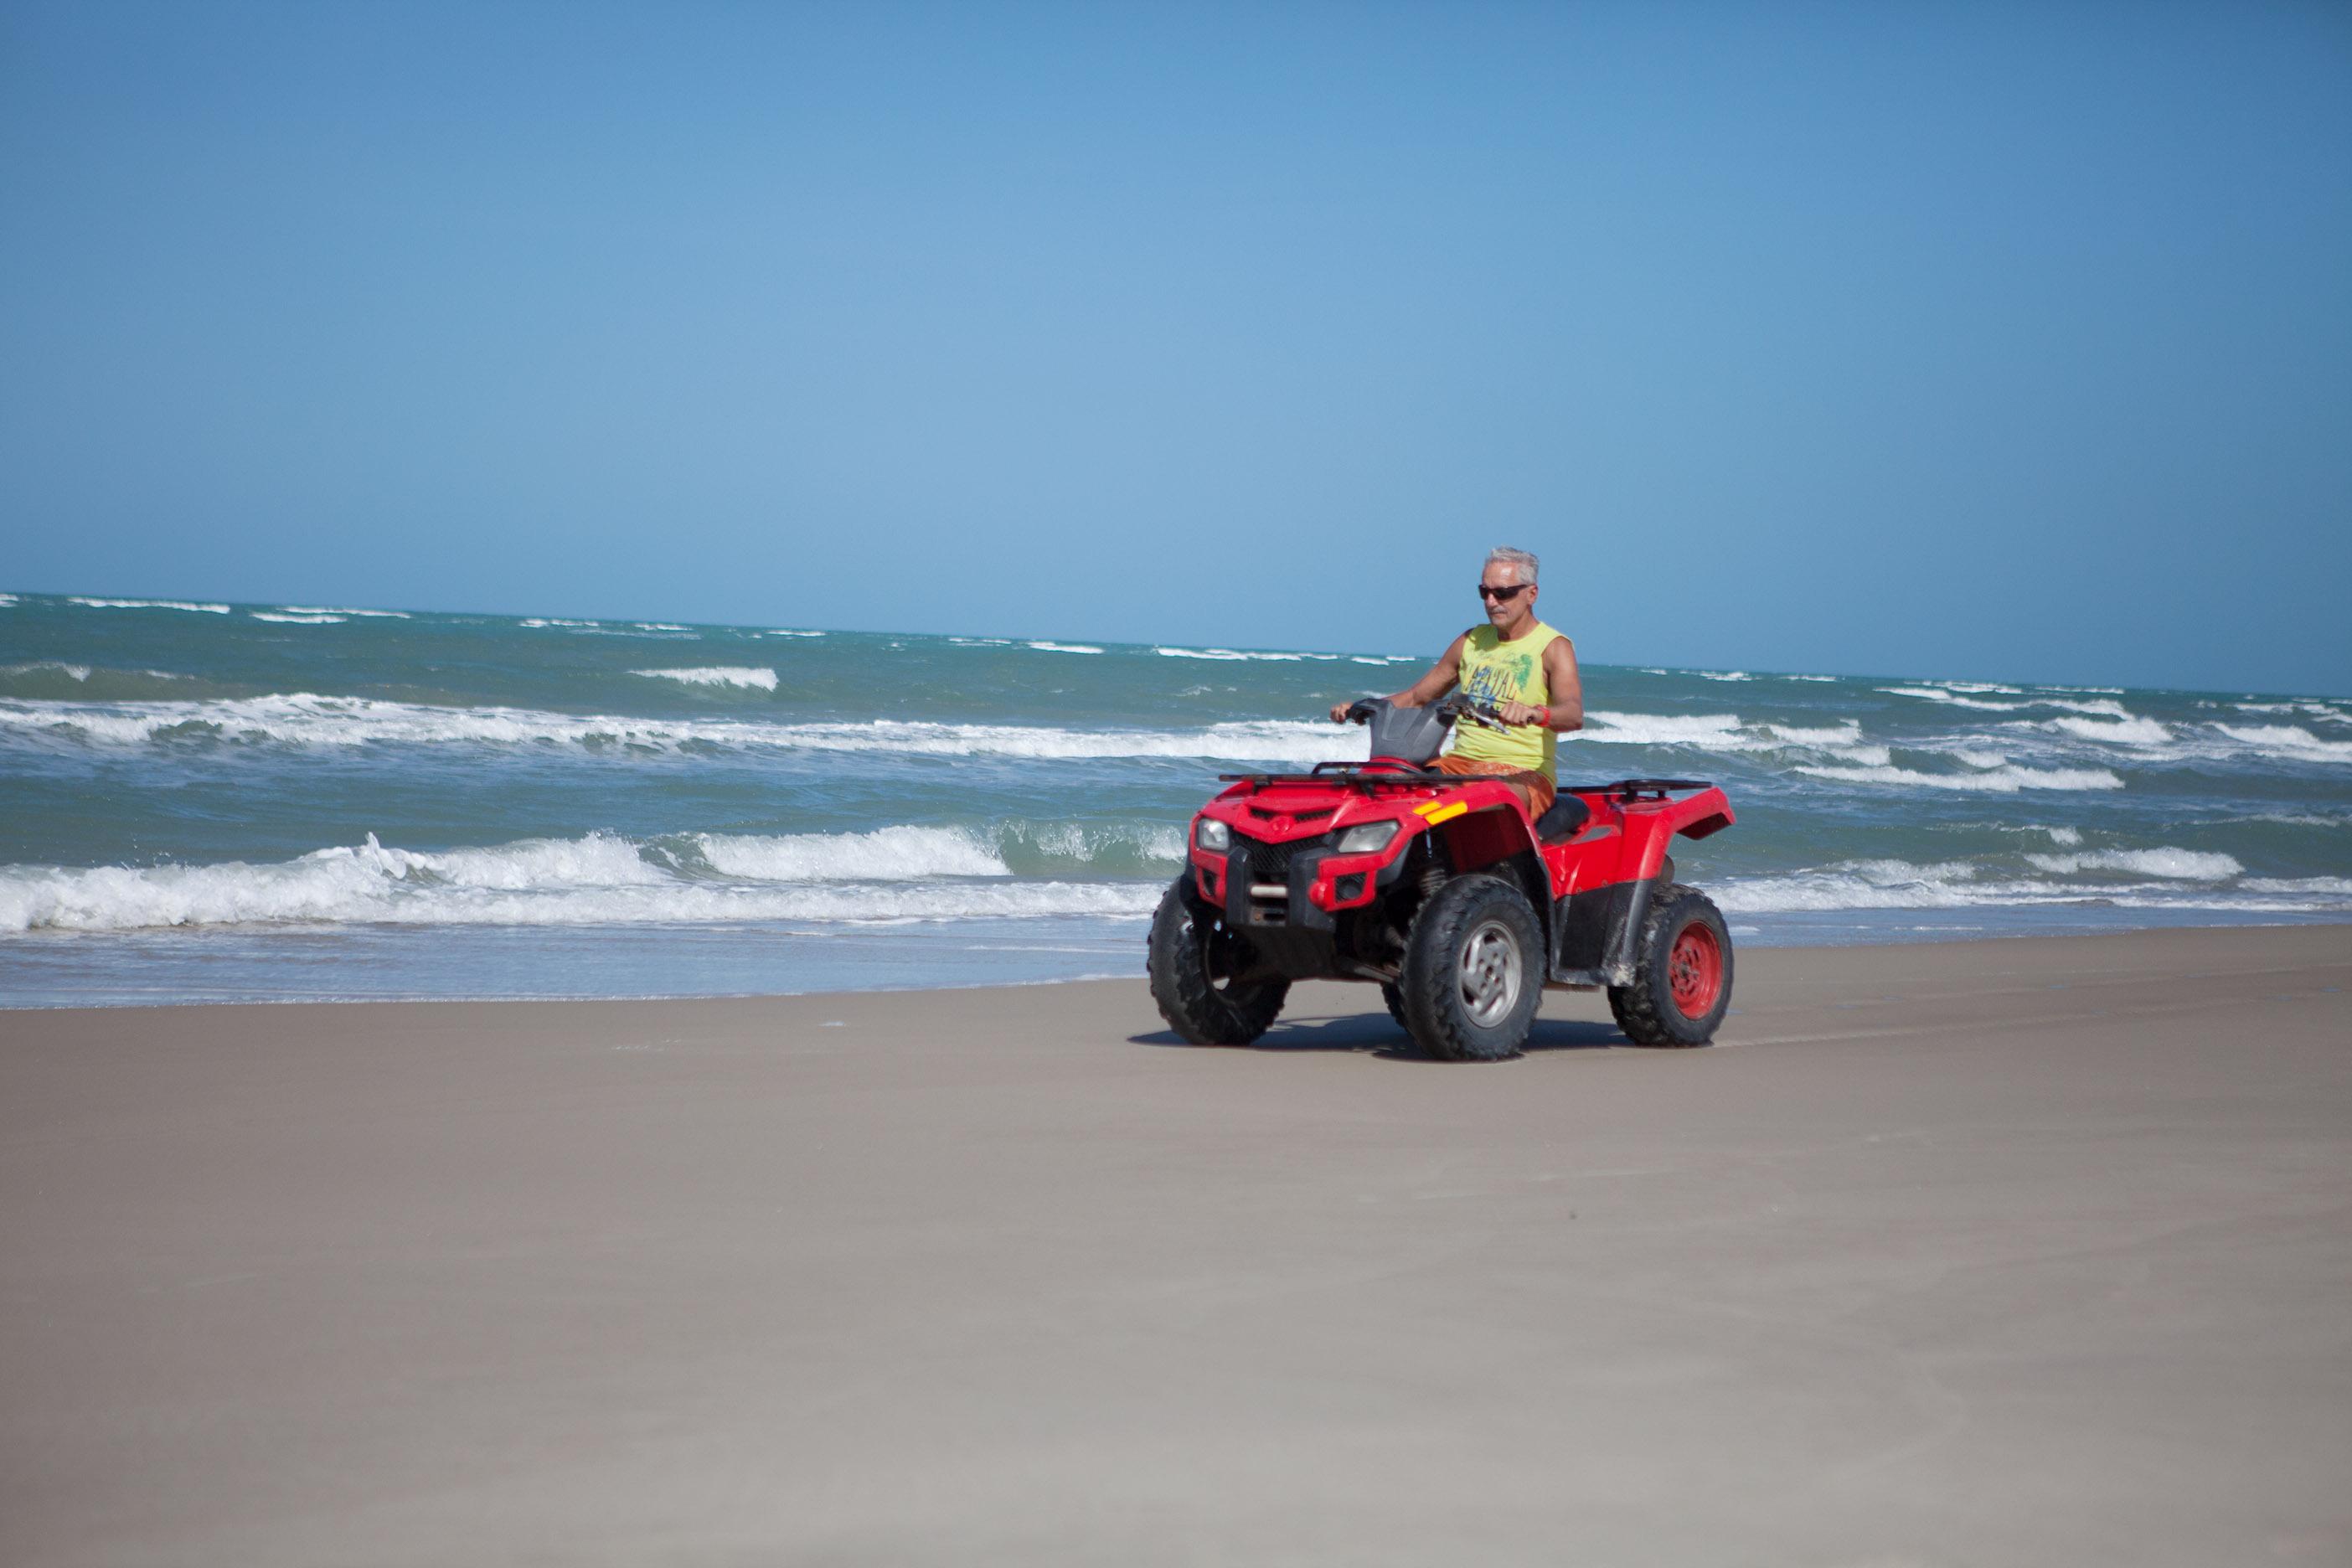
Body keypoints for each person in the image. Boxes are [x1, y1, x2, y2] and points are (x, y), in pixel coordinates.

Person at [1329, 545, 1583, 818]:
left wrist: (1536, 713)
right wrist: (1363, 707)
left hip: (1523, 773)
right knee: (1379, 790)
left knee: (1490, 803)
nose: (1491, 601)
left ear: (1531, 594)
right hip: (1459, 766)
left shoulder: (1553, 647)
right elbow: (1417, 697)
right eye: (1484, 592)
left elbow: (1572, 713)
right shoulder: (1471, 641)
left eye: (1503, 593)